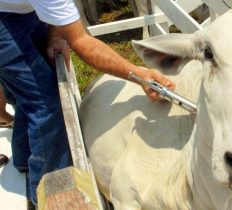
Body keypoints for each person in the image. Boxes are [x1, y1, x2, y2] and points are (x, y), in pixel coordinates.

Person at [0, 0, 175, 205]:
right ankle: (52, 195)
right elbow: (82, 41)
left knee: (29, 90)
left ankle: (23, 158)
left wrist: (56, 33)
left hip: (18, 10)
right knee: (45, 104)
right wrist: (139, 74)